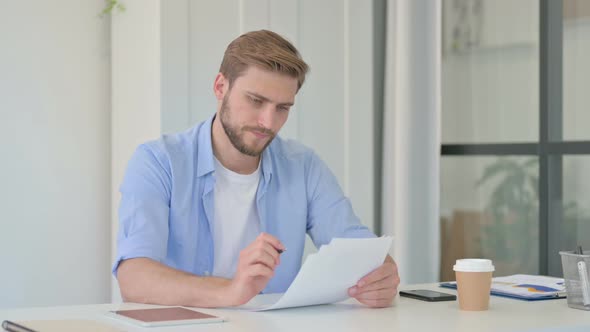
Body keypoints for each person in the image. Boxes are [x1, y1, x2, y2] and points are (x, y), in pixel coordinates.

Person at [113, 30, 400, 308]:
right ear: (220, 87)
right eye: (256, 101)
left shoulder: (303, 166)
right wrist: (230, 291)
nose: (268, 122)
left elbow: (358, 246)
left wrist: (381, 274)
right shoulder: (158, 162)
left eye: (282, 108)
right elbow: (134, 278)